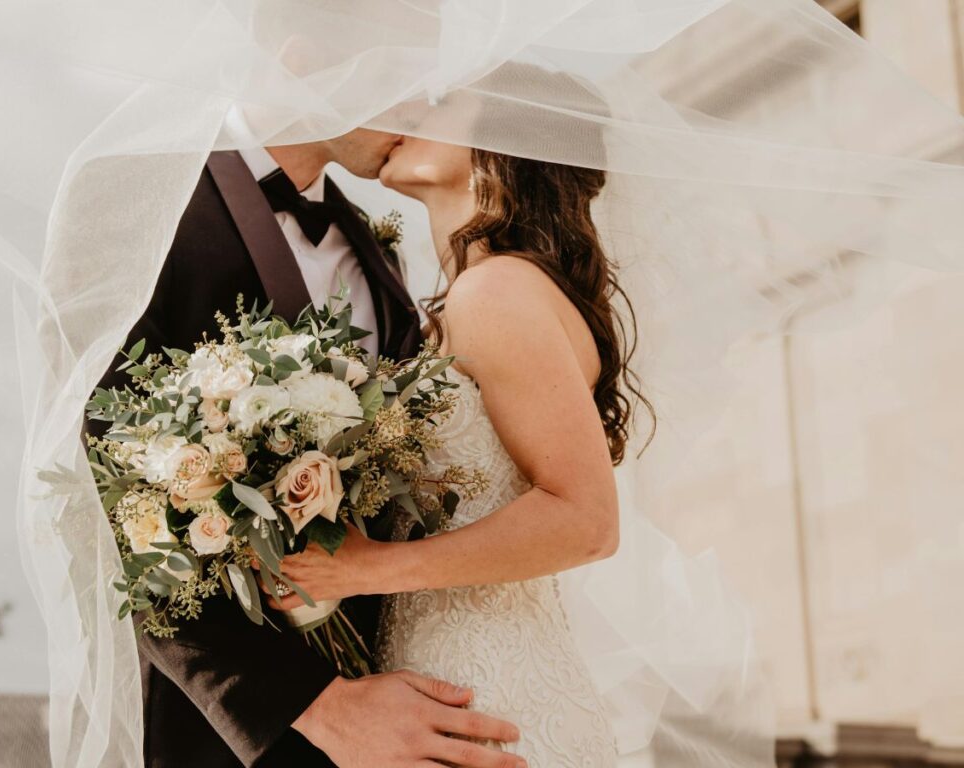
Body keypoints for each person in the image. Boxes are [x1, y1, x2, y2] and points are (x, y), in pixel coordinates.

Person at [89, 129, 524, 768]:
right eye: (397, 69)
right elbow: (109, 484)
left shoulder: (377, 250)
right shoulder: (141, 199)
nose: (415, 110)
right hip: (233, 735)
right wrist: (313, 706)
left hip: (402, 703)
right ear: (312, 49)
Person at [264, 80, 650, 765]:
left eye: (441, 102)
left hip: (488, 690)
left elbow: (588, 520)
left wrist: (365, 570)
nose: (408, 107)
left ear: (502, 144)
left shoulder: (497, 291)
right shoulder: (475, 295)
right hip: (446, 684)